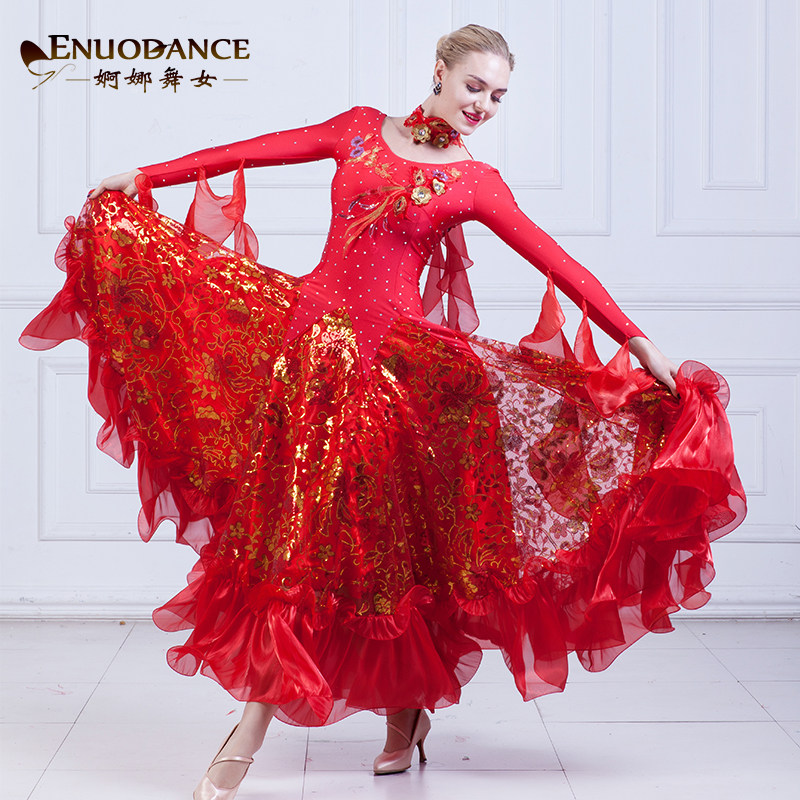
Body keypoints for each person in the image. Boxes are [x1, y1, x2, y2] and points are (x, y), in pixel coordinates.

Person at [21, 23, 745, 800]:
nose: (484, 105)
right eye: (475, 86)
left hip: (391, 380)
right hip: (307, 358)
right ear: (440, 71)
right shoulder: (359, 129)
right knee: (292, 546)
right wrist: (149, 175)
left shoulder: (476, 183)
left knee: (381, 554)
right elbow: (254, 149)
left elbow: (559, 263)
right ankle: (331, 724)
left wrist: (639, 344)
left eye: (499, 96)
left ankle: (336, 726)